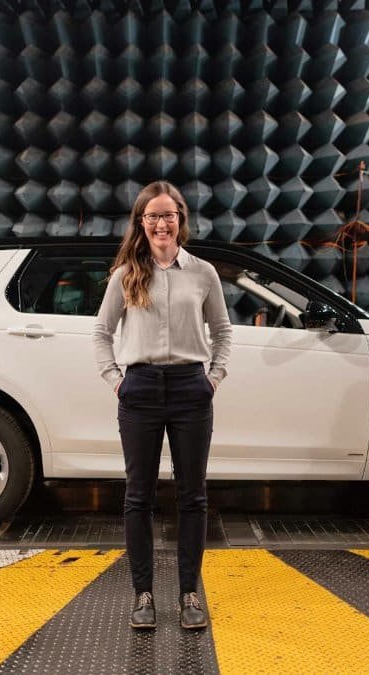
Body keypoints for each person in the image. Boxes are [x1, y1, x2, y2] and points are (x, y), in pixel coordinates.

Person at [93, 180, 232, 631]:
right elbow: (100, 333)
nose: (161, 223)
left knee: (193, 496)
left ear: (180, 220)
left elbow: (223, 332)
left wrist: (213, 379)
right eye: (152, 215)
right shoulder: (125, 274)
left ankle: (190, 593)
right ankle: (144, 595)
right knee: (139, 496)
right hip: (140, 390)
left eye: (168, 214)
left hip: (192, 390)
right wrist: (116, 381)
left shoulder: (203, 273)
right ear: (141, 222)